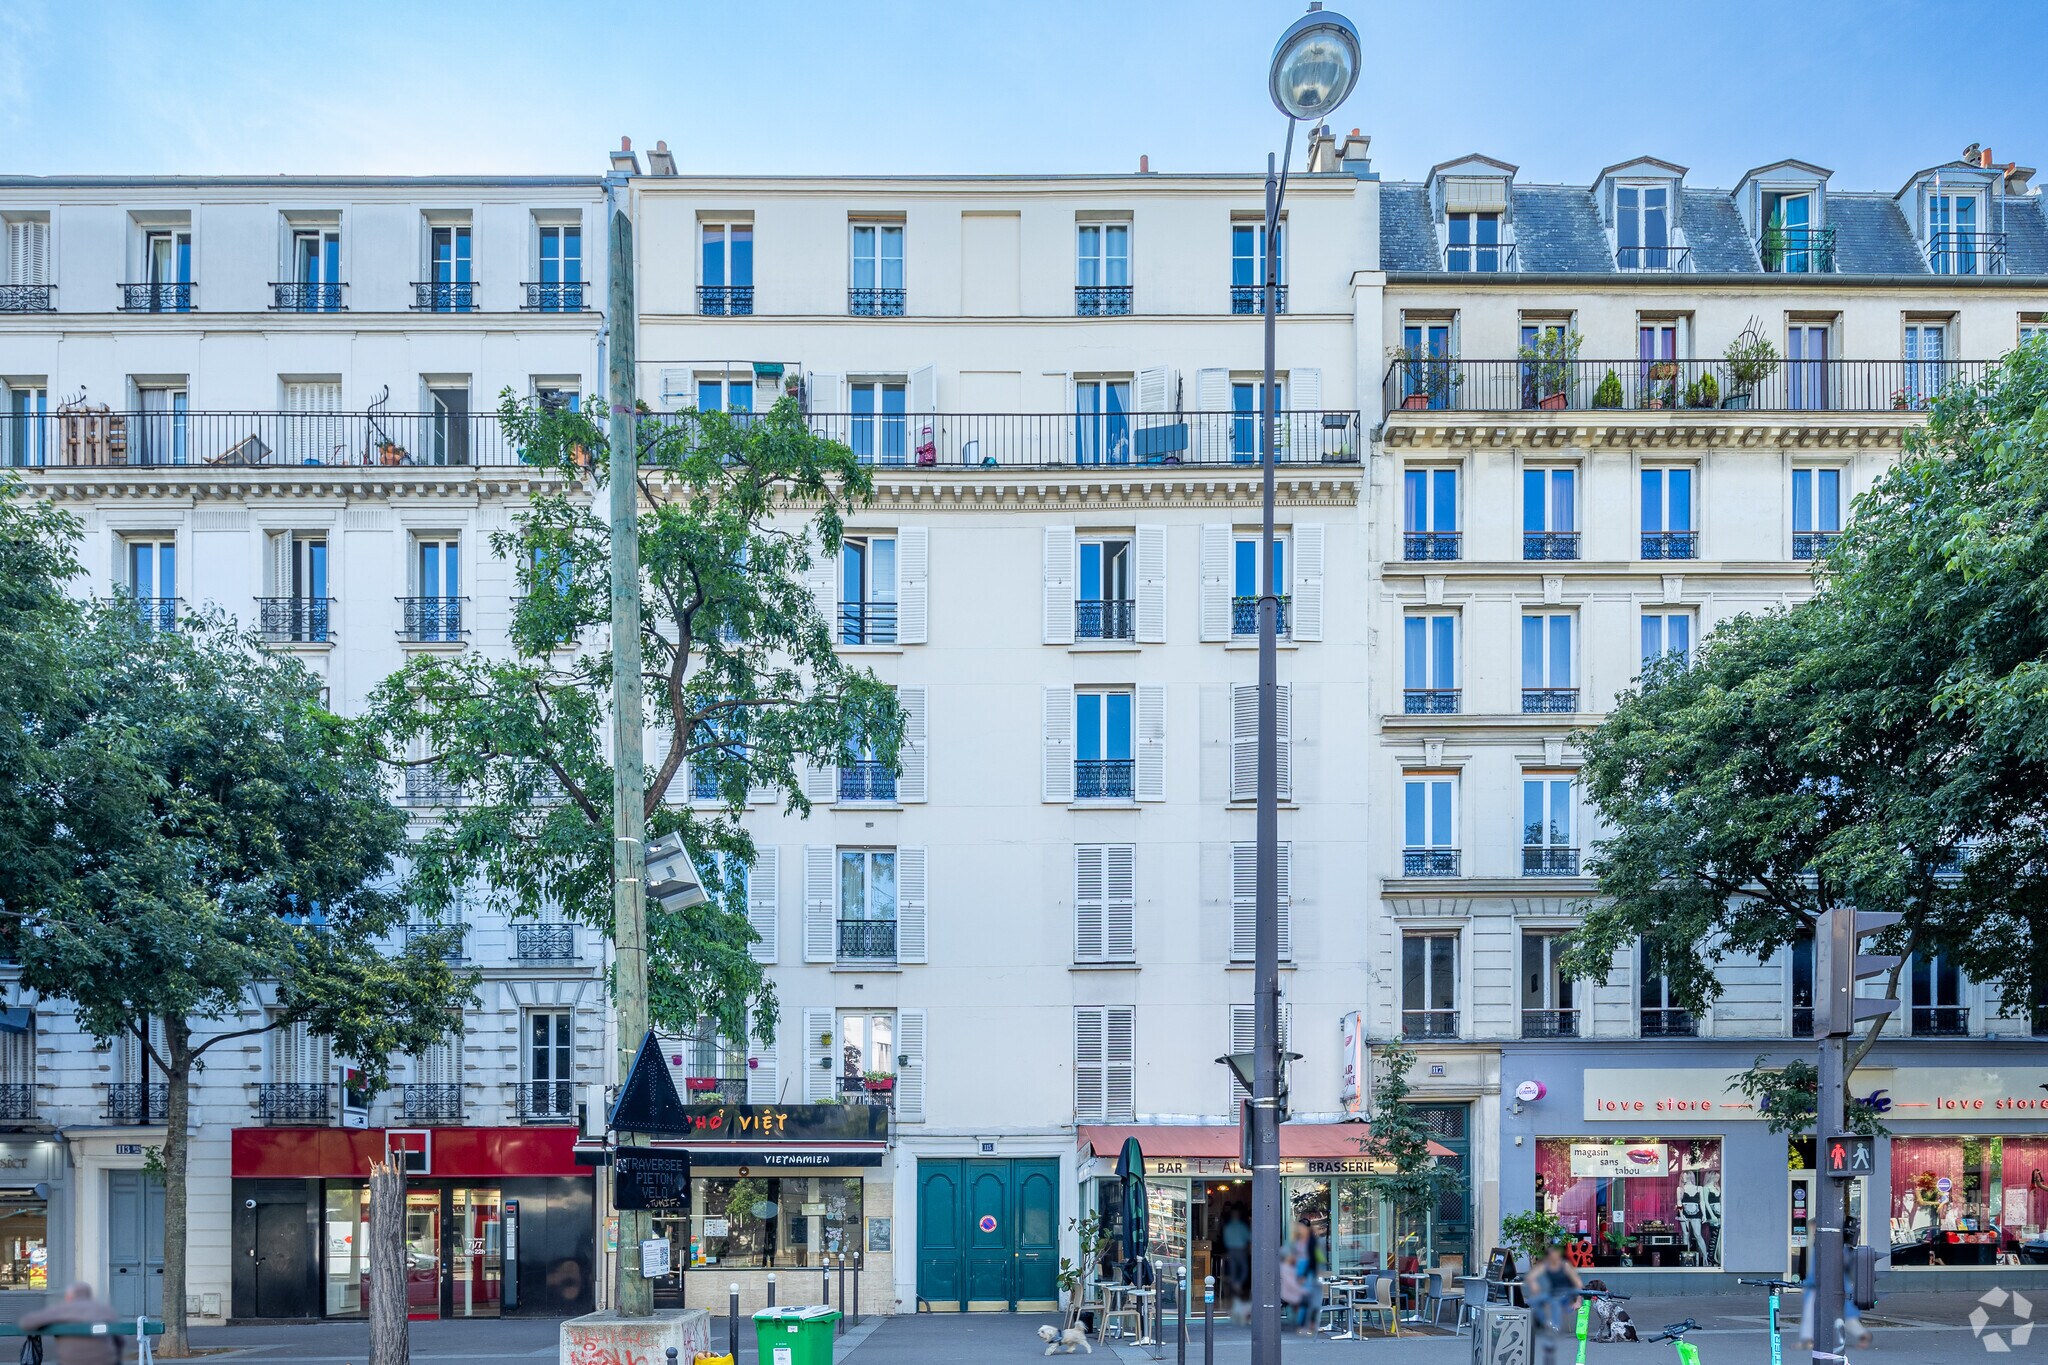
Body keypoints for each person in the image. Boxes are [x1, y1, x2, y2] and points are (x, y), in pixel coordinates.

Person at [22, 1281, 125, 1365]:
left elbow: (27, 1322)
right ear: (89, 1296)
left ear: (70, 1296)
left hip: (70, 1362)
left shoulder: (61, 1309)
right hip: (105, 1362)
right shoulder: (104, 1310)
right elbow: (120, 1342)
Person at [1523, 1242, 1583, 1333]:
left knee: (1554, 1301)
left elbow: (1579, 1284)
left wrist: (1578, 1301)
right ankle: (1546, 1323)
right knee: (1532, 1301)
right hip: (1552, 1293)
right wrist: (1533, 1283)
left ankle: (1556, 1327)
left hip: (1567, 1294)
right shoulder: (1546, 1265)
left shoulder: (1565, 1266)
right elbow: (1530, 1276)